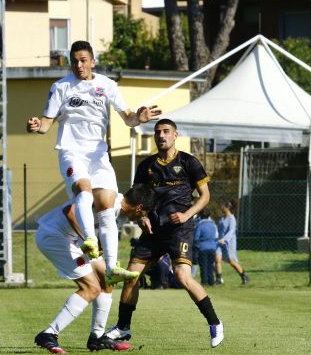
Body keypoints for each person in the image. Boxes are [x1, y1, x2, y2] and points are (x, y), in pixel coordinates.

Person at [26, 40, 161, 287]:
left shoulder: (107, 85)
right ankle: (90, 240)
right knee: (85, 192)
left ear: (93, 62)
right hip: (72, 151)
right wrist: (36, 126)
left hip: (99, 155)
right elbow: (46, 124)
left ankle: (111, 267)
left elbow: (128, 118)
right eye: (74, 60)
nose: (79, 65)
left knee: (108, 208)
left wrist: (139, 118)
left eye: (83, 60)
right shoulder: (61, 87)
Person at [106, 119, 224, 348]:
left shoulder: (189, 162)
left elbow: (205, 196)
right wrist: (141, 218)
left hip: (180, 230)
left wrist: (187, 214)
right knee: (132, 275)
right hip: (153, 230)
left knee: (182, 277)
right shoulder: (146, 166)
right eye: (158, 132)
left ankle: (215, 323)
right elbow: (136, 198)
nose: (162, 135)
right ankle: (123, 327)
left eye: (166, 131)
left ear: (175, 135)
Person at [34, 184, 155, 354]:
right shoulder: (108, 201)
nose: (143, 217)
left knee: (107, 280)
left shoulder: (118, 214)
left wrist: (100, 250)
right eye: (145, 213)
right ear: (139, 207)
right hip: (54, 236)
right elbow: (70, 211)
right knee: (91, 288)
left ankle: (97, 337)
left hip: (73, 240)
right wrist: (89, 240)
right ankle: (48, 334)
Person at [215, 200, 249, 285]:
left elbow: (231, 231)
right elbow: (219, 229)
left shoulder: (232, 219)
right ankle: (219, 278)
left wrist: (225, 239)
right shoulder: (222, 218)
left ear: (228, 208)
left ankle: (243, 275)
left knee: (231, 261)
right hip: (219, 242)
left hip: (229, 242)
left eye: (223, 206)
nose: (221, 208)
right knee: (217, 259)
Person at [194, 208, 218, 286]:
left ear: (200, 216)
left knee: (203, 266)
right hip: (212, 248)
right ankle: (211, 282)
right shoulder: (213, 225)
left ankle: (204, 282)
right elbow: (216, 236)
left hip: (202, 248)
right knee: (210, 266)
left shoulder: (200, 225)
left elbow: (196, 238)